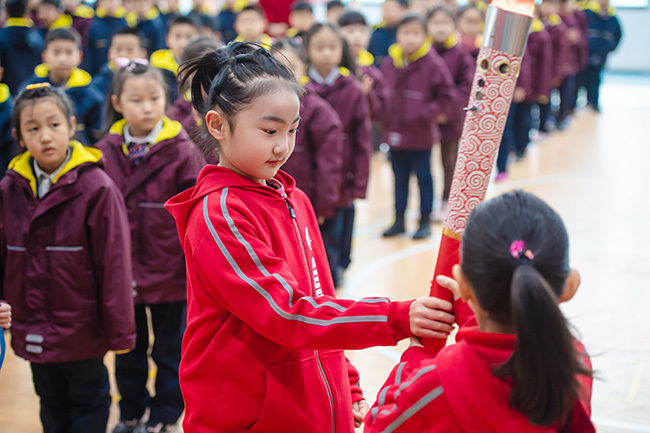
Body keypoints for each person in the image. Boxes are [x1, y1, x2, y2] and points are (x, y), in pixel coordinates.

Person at [165, 41, 458, 433]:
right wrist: (396, 317)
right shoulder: (221, 215)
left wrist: (346, 384)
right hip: (251, 418)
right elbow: (288, 312)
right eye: (269, 130)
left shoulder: (295, 199)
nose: (282, 146)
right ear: (217, 125)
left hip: (311, 409)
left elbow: (321, 299)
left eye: (291, 130)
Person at [365, 191, 594, 433]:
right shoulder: (574, 360)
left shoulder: (433, 386)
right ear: (568, 286)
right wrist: (470, 315)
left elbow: (379, 426)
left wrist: (414, 359)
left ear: (462, 283)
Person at [0, 83, 135, 433]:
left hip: (82, 331)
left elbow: (114, 265)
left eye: (54, 124)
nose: (45, 136)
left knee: (90, 400)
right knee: (50, 400)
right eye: (33, 128)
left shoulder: (98, 188)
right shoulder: (8, 189)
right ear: (18, 135)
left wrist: (119, 331)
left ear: (71, 125)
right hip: (31, 327)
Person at [95, 61, 204, 433]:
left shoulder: (183, 151)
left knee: (170, 350)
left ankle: (164, 414)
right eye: (136, 99)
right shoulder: (103, 152)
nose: (147, 106)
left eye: (155, 98)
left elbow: (194, 218)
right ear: (117, 102)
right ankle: (130, 411)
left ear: (167, 99)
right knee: (127, 349)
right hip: (121, 275)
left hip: (170, 272)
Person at [304, 23, 372, 287]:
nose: (325, 53)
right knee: (314, 225)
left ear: (341, 50)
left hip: (342, 172)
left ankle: (338, 268)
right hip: (310, 173)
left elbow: (362, 139)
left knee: (340, 226)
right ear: (308, 50)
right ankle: (319, 271)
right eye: (319, 47)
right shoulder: (299, 89)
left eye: (331, 47)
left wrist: (360, 181)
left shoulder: (351, 88)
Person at [381, 14, 455, 239]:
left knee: (424, 178)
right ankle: (399, 220)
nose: (410, 38)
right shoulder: (389, 63)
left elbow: (446, 95)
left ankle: (423, 221)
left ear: (424, 36)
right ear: (398, 35)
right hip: (394, 133)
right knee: (399, 179)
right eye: (405, 33)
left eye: (416, 33)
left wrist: (426, 114)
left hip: (420, 134)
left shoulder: (433, 63)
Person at [272, 38, 344, 229]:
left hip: (306, 203)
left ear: (305, 68)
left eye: (291, 68)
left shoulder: (318, 111)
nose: (284, 76)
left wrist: (323, 206)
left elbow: (328, 164)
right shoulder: (260, 110)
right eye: (277, 69)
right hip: (272, 202)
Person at [427, 6, 474, 220]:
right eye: (436, 23)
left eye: (445, 23)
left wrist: (447, 111)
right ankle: (425, 204)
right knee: (424, 164)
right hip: (426, 118)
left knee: (449, 161)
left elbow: (466, 88)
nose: (440, 28)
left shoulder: (461, 55)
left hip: (451, 118)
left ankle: (448, 200)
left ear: (454, 27)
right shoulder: (425, 54)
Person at [20, 28, 104, 144]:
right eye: (56, 52)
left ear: (80, 57)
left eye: (69, 53)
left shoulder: (90, 94)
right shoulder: (31, 89)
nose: (62, 59)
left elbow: (97, 135)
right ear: (44, 56)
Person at [167, 34, 221, 162]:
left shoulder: (235, 109)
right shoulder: (175, 116)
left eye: (216, 71)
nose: (210, 79)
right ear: (185, 73)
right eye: (202, 72)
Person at [150, 15, 200, 104]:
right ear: (167, 39)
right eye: (177, 36)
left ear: (198, 38)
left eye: (189, 37)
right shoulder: (158, 62)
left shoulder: (201, 64)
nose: (183, 42)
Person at [583, 0, 621, 112]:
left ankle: (593, 102)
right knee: (583, 78)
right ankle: (583, 103)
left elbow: (618, 35)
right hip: (587, 53)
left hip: (601, 54)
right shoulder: (588, 13)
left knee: (596, 79)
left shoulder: (612, 17)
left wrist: (610, 48)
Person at [0, 0, 45, 94]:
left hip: (7, 94)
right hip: (32, 91)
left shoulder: (2, 36)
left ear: (6, 13)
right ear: (26, 14)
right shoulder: (36, 36)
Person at [91, 27, 146, 101]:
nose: (123, 54)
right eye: (118, 49)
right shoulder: (99, 83)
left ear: (142, 54)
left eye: (130, 50)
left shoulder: (148, 79)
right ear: (109, 53)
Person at [84, 0, 132, 76]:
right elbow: (88, 53)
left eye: (113, 1)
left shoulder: (126, 24)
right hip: (97, 74)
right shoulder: (94, 25)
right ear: (100, 3)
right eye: (106, 1)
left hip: (123, 73)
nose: (110, 4)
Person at [368, 0, 409, 66]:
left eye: (389, 8)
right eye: (384, 8)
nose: (385, 12)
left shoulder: (407, 33)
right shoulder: (377, 33)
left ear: (402, 9)